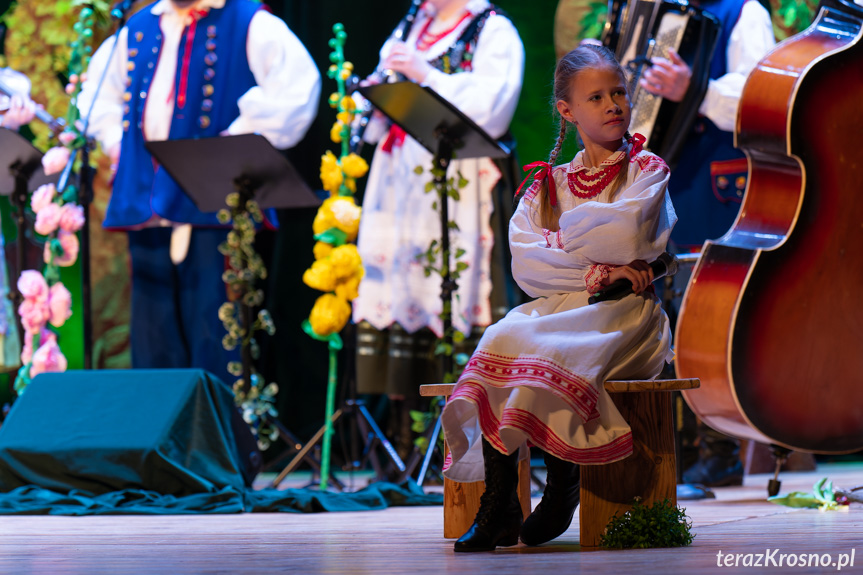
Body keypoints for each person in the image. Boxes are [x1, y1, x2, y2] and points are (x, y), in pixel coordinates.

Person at [440, 44, 677, 552]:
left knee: (555, 348)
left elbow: (630, 234)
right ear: (567, 111)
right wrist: (596, 262)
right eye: (596, 97)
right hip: (561, 308)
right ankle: (500, 503)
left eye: (618, 92)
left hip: (624, 315)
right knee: (501, 336)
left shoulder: (647, 170)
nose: (613, 104)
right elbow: (528, 262)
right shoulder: (550, 184)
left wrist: (578, 246)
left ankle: (563, 480)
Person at [77, 0, 320, 384]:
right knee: (153, 345)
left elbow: (295, 90)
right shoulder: (139, 27)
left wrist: (232, 145)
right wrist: (114, 141)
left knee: (214, 341)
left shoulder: (246, 20)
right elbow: (96, 97)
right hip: (148, 208)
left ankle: (211, 440)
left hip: (214, 210)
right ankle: (159, 441)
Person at [351, 0, 524, 454]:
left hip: (460, 184)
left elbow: (493, 109)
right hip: (400, 183)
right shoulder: (413, 26)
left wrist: (425, 75)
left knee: (452, 291)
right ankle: (404, 439)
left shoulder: (492, 29)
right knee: (401, 291)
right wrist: (375, 97)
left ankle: (464, 439)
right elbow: (370, 118)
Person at [637, 0, 776, 487]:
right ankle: (676, 449)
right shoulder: (655, 12)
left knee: (708, 311)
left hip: (718, 182)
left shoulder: (744, 12)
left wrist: (695, 89)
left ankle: (719, 449)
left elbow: (762, 99)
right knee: (666, 310)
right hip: (670, 179)